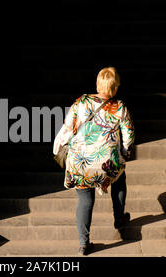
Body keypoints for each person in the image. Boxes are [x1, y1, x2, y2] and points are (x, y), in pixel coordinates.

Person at [53, 67, 135, 255]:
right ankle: (119, 217)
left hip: (79, 162)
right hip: (107, 164)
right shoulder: (120, 107)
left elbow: (68, 127)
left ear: (98, 84)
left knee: (85, 201)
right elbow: (129, 136)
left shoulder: (81, 101)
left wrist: (58, 148)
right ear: (115, 87)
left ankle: (84, 243)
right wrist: (123, 152)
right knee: (119, 178)